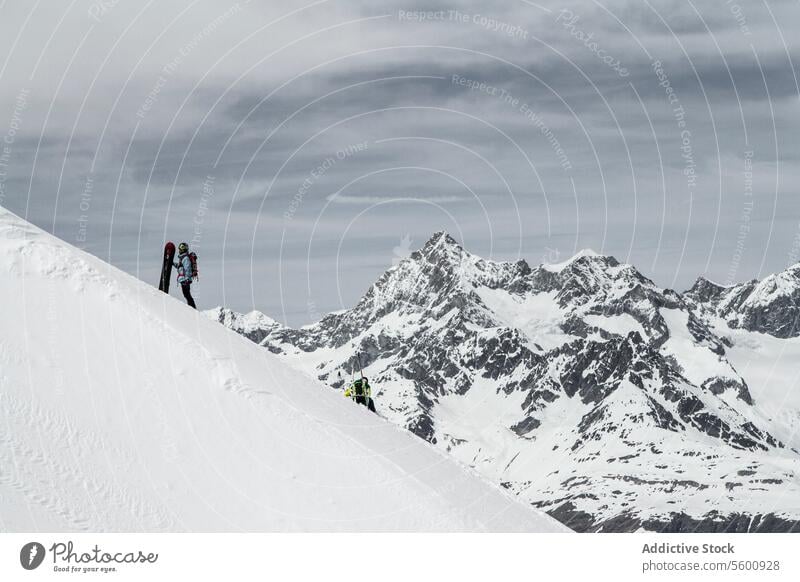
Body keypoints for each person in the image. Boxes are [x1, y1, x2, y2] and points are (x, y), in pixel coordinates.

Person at [174, 242, 196, 309]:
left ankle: (192, 309)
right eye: (180, 249)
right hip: (184, 280)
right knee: (187, 295)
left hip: (185, 280)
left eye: (181, 249)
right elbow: (180, 267)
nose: (180, 250)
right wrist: (172, 263)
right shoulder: (182, 258)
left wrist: (187, 279)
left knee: (187, 295)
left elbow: (187, 269)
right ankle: (192, 308)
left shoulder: (185, 258)